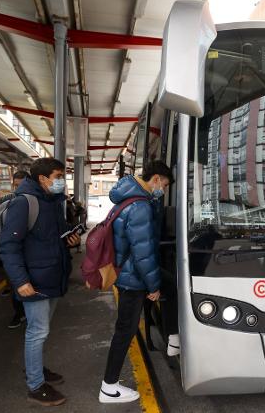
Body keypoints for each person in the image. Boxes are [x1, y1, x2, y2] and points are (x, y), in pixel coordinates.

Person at [0, 158, 81, 407]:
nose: (61, 181)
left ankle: (35, 370)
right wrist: (20, 280)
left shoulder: (52, 201)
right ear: (43, 179)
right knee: (38, 332)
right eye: (58, 176)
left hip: (51, 276)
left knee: (41, 331)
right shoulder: (25, 203)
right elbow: (9, 245)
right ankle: (35, 386)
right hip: (34, 280)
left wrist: (70, 238)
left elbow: (52, 234)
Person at [99, 160, 173, 404]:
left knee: (125, 329)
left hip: (125, 275)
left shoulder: (126, 199)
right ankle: (109, 386)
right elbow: (143, 253)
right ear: (156, 179)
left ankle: (109, 384)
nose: (163, 189)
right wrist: (153, 286)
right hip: (133, 280)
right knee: (125, 331)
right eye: (164, 184)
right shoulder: (140, 206)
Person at [0, 170, 29, 329]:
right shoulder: (7, 201)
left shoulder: (31, 202)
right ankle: (19, 312)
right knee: (16, 283)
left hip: (27, 252)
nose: (18, 189)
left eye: (21, 185)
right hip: (12, 251)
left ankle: (23, 312)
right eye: (16, 185)